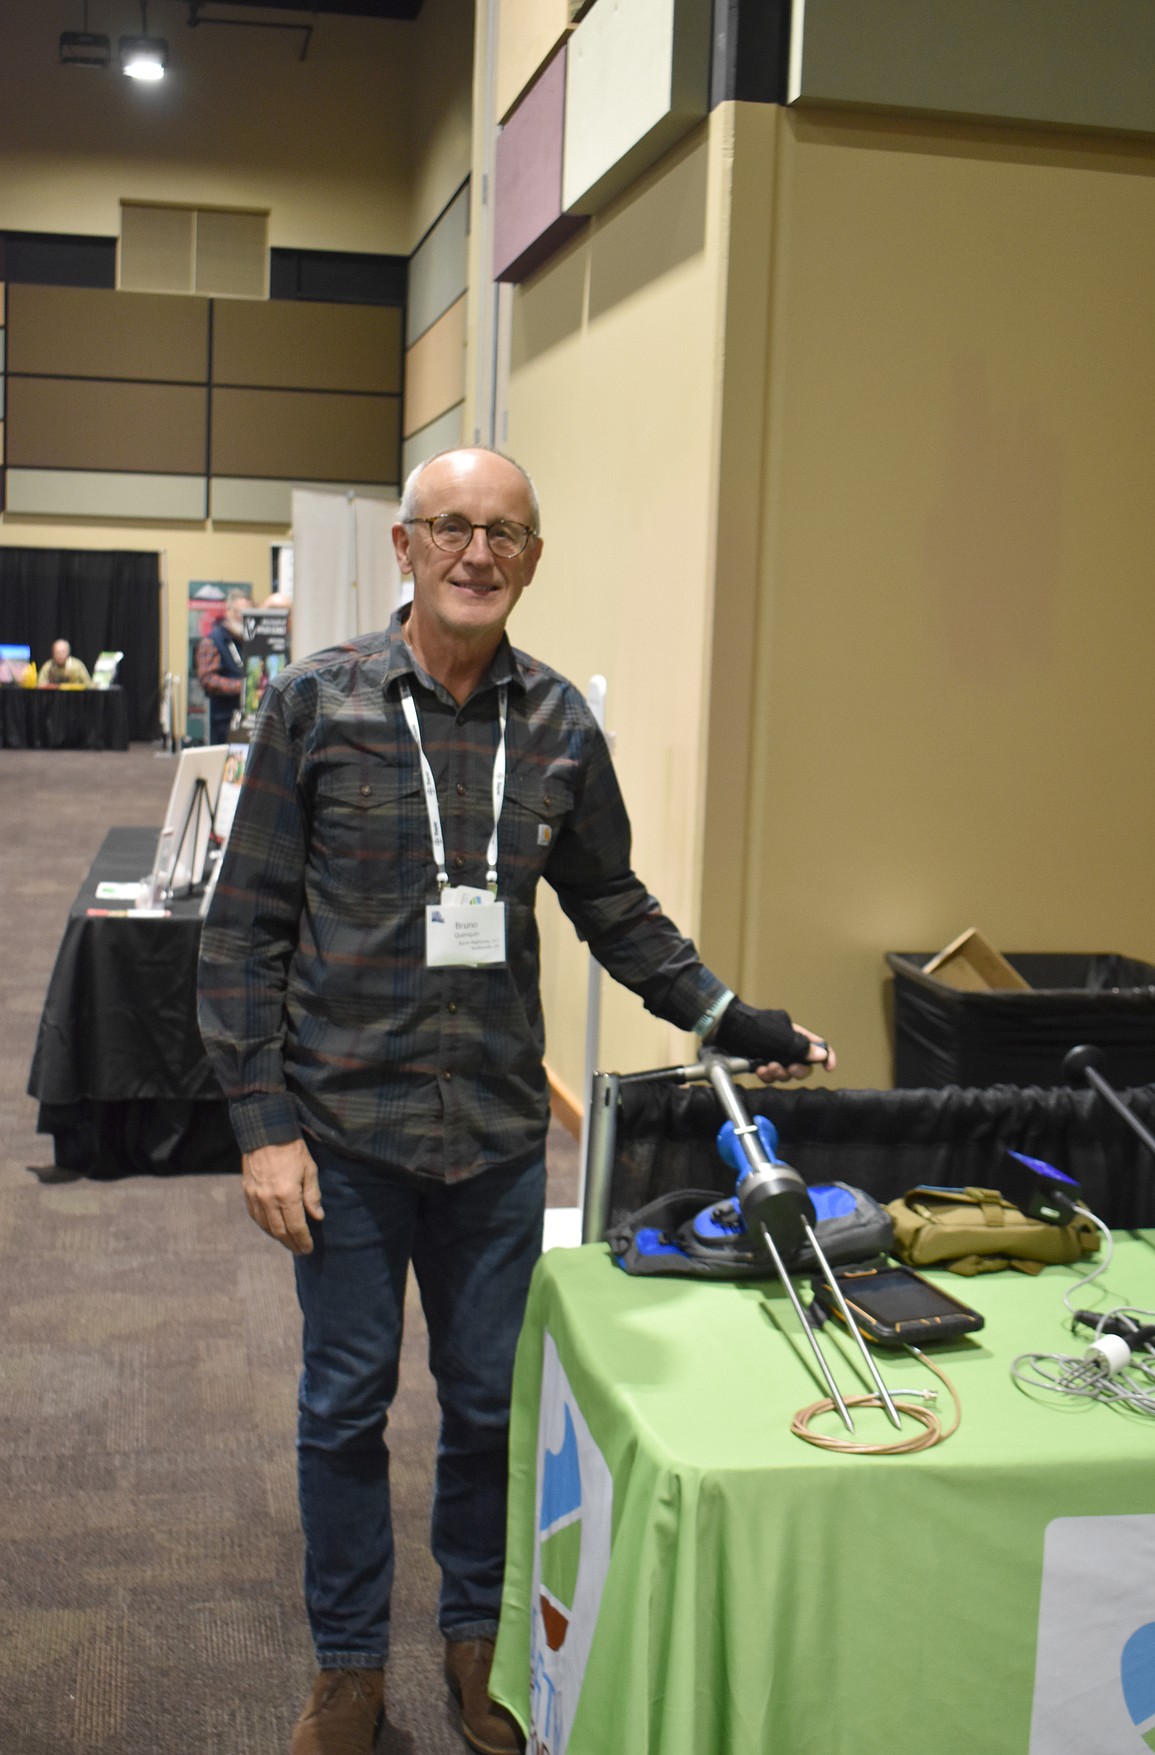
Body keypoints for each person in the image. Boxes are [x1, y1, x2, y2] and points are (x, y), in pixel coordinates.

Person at [197, 448, 835, 1755]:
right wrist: (262, 1124)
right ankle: (346, 1662)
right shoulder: (317, 704)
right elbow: (241, 929)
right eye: (452, 528)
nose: (476, 553)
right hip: (345, 1131)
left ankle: (477, 1633)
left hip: (492, 1135)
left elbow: (613, 906)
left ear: (531, 555)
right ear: (405, 544)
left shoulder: (553, 724)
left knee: (490, 1403)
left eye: (504, 532)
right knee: (341, 1404)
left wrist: (730, 1016)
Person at [195, 590, 250, 741]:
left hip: (249, 719)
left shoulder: (249, 641)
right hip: (224, 721)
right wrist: (242, 687)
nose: (243, 617)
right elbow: (207, 679)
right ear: (228, 611)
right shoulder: (212, 641)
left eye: (247, 613)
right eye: (239, 612)